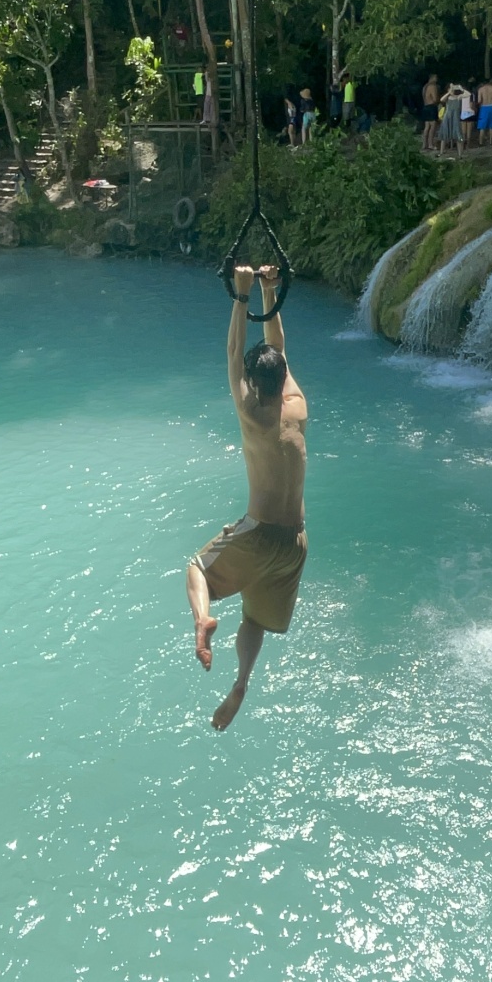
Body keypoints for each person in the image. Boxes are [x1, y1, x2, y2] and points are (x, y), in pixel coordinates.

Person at [187, 264, 307, 730]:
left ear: (256, 387)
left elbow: (237, 350)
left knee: (197, 568)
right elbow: (278, 351)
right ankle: (241, 682)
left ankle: (203, 622)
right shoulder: (296, 406)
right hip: (295, 543)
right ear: (283, 380)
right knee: (255, 618)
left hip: (258, 534)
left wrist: (241, 295)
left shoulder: (251, 410)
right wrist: (269, 289)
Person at [476, 78, 492, 145]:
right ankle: (491, 142)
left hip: (484, 107)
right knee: (491, 126)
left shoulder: (481, 89)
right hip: (491, 107)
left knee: (482, 127)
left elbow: (479, 100)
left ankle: (480, 143)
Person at [421, 75, 440, 151]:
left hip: (425, 106)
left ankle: (424, 144)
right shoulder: (433, 86)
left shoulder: (425, 87)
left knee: (427, 127)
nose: (437, 79)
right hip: (432, 107)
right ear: (432, 78)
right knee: (433, 126)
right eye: (436, 77)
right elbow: (435, 99)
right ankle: (430, 144)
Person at [460, 84, 476, 149]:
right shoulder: (471, 95)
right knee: (469, 131)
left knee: (463, 131)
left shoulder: (461, 95)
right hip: (470, 113)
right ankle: (468, 145)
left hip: (462, 113)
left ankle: (462, 144)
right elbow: (472, 105)